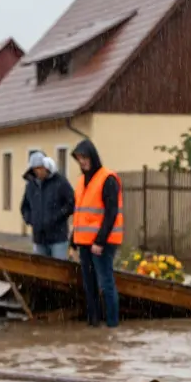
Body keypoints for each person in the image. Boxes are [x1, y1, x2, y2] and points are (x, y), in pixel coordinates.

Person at [71, 139, 123, 328]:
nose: (82, 162)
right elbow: (79, 212)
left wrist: (100, 241)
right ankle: (93, 323)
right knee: (89, 284)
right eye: (79, 158)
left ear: (92, 156)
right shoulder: (81, 181)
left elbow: (111, 213)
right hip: (84, 241)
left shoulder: (107, 178)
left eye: (84, 157)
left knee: (106, 283)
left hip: (103, 242)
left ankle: (111, 325)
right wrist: (73, 239)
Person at [20, 151, 74, 260]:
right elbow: (24, 207)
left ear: (46, 166)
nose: (38, 172)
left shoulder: (60, 181)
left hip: (58, 238)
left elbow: (71, 203)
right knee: (41, 272)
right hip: (39, 239)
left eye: (40, 168)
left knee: (59, 270)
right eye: (35, 169)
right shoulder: (31, 185)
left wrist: (56, 217)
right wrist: (31, 219)